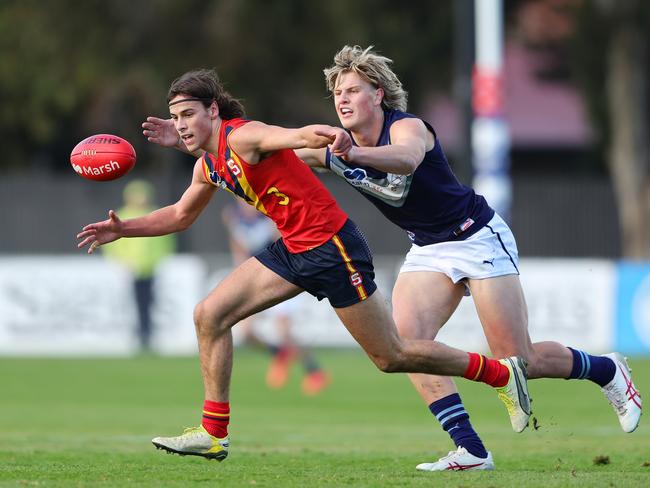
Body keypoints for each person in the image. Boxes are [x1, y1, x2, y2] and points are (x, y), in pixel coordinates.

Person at [77, 67, 531, 463]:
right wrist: (123, 229)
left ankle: (499, 373)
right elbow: (179, 215)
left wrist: (329, 136)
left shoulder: (243, 135)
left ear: (213, 111)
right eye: (175, 117)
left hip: (334, 248)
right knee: (209, 315)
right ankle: (213, 435)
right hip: (293, 249)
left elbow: (293, 136)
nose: (181, 124)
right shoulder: (208, 165)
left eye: (188, 114)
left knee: (391, 356)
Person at [293, 45, 642, 471]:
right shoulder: (335, 145)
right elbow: (279, 155)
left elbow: (405, 161)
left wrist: (349, 154)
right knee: (405, 346)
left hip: (477, 237)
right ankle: (471, 450)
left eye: (352, 90)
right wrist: (225, 152)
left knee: (519, 361)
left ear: (379, 94)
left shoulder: (408, 128)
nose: (342, 100)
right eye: (337, 94)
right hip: (428, 248)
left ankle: (607, 370)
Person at [222, 199, 330, 395]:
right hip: (255, 279)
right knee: (246, 333)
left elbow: (283, 243)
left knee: (284, 333)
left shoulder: (270, 213)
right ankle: (279, 353)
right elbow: (238, 247)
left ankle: (314, 371)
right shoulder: (231, 215)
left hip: (282, 276)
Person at [101, 179, 176, 351]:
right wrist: (122, 263)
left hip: (151, 269)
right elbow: (114, 247)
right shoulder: (123, 215)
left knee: (150, 303)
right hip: (131, 271)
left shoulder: (154, 213)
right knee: (134, 304)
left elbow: (165, 241)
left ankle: (148, 334)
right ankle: (139, 334)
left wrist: (160, 260)